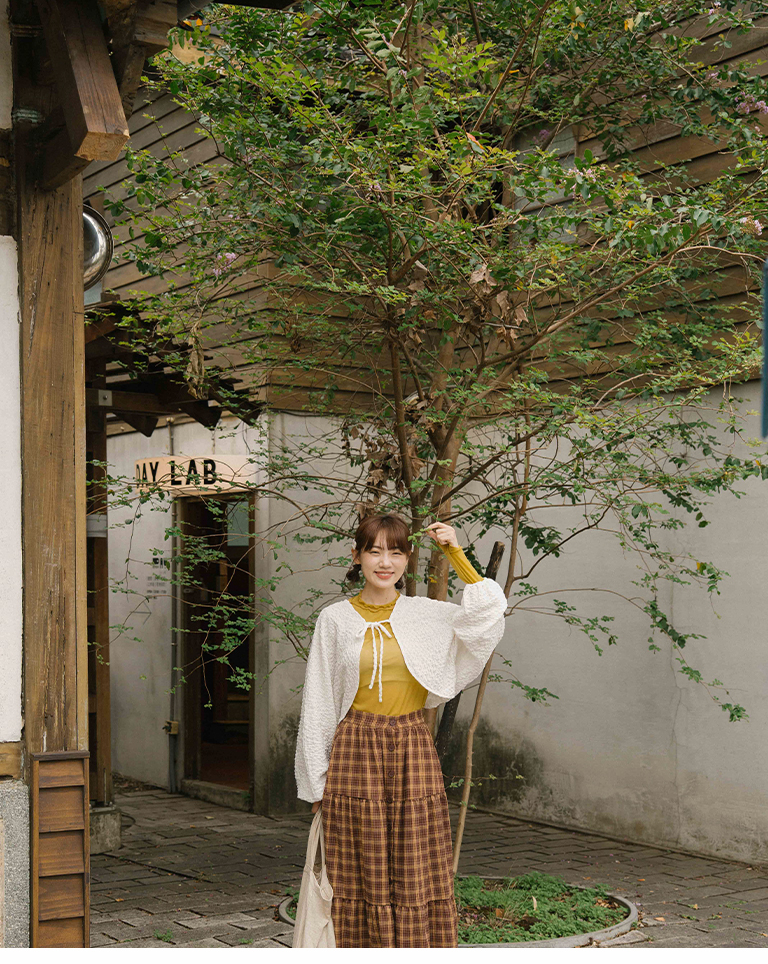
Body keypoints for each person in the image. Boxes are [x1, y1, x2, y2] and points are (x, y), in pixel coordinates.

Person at [294, 512, 507, 948]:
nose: (384, 562)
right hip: (354, 750)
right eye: (374, 551)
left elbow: (487, 616)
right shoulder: (334, 619)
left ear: (408, 559)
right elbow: (318, 700)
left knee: (415, 867)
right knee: (357, 869)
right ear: (357, 556)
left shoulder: (425, 615)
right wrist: (316, 783)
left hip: (412, 747)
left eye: (395, 552)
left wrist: (455, 553)